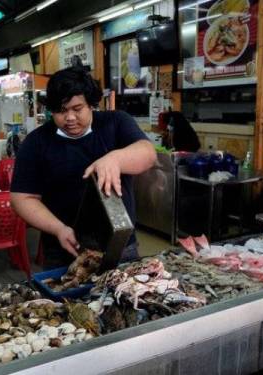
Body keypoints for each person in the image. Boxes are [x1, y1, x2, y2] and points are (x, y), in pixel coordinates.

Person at [10, 65, 156, 269]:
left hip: (121, 246)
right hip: (63, 248)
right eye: (61, 111)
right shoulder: (36, 142)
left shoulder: (115, 123)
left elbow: (148, 153)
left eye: (77, 109)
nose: (69, 118)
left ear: (91, 105)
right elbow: (22, 198)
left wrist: (115, 158)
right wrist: (58, 229)